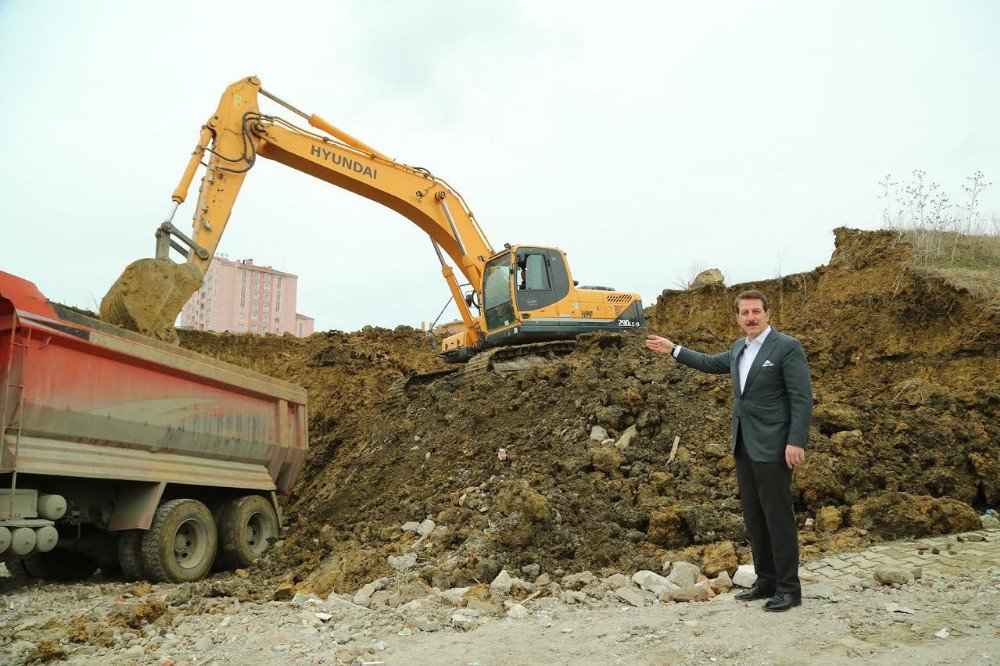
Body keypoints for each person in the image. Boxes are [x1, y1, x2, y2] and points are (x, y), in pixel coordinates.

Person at [644, 289, 812, 612]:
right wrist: (673, 350)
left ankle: (789, 589)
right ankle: (766, 581)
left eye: (756, 312)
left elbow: (802, 398)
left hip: (776, 446)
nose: (750, 317)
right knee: (754, 516)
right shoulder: (738, 348)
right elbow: (708, 363)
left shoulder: (787, 348)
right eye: (744, 313)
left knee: (778, 518)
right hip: (744, 445)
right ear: (737, 317)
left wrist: (796, 441)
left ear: (768, 314)